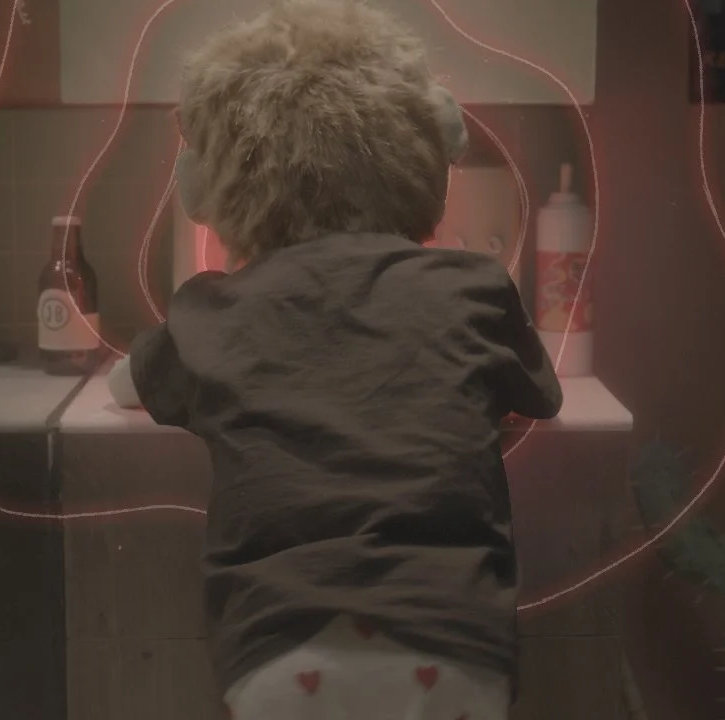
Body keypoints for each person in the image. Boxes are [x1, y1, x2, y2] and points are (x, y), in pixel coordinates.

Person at [107, 1, 562, 718]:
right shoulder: (472, 287)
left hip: (281, 651)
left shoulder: (216, 311)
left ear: (208, 185)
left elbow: (129, 384)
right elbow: (542, 396)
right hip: (455, 642)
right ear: (429, 158)